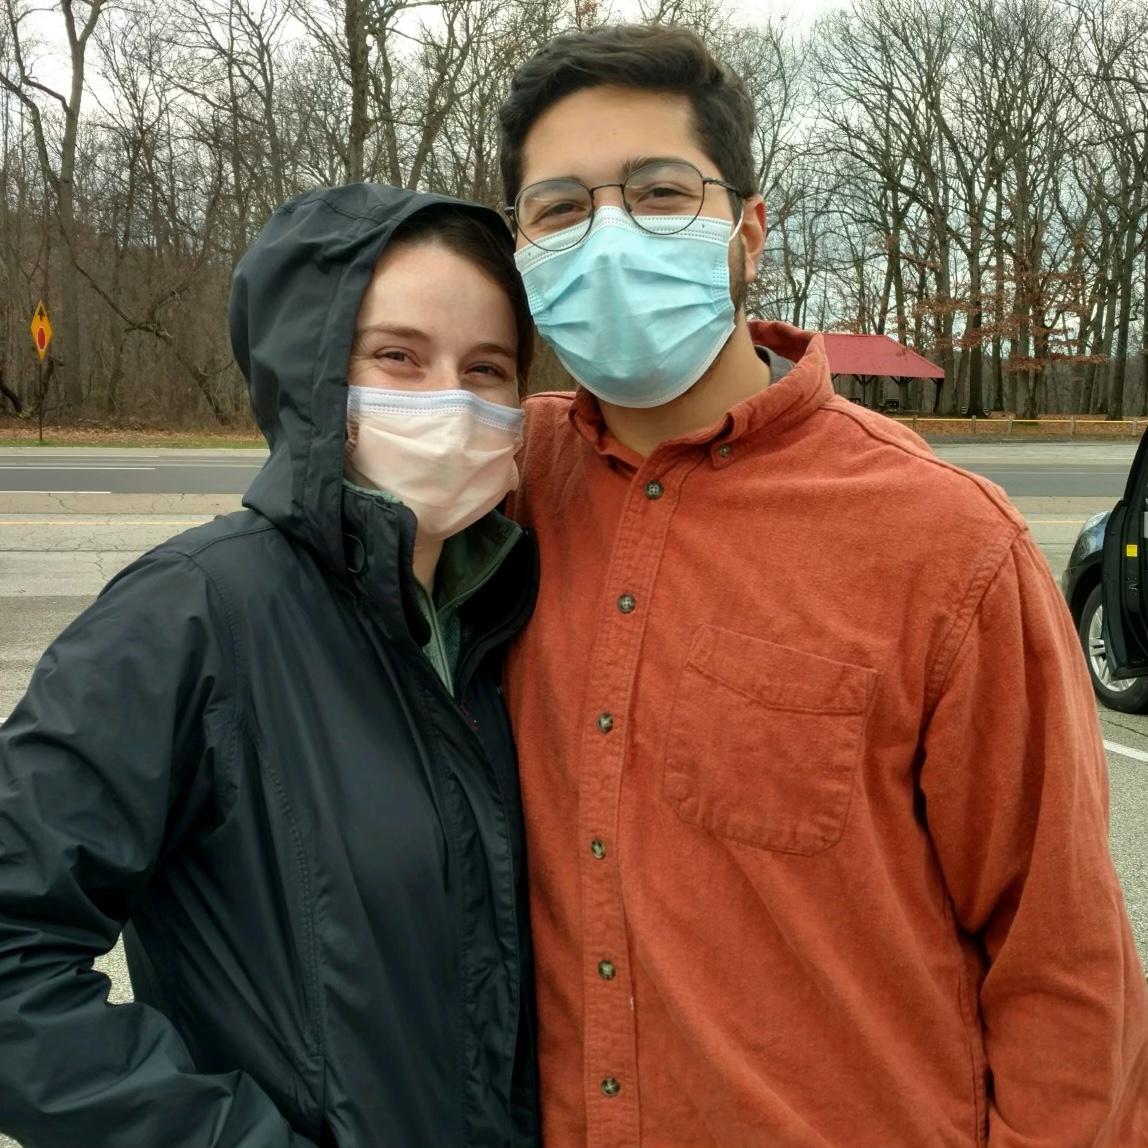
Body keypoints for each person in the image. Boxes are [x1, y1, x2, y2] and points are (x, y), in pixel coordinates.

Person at [497, 23, 1148, 1147]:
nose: (608, 237)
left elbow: (1063, 965)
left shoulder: (945, 543)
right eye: (559, 210)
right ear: (518, 250)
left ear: (747, 234)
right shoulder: (494, 488)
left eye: (659, 194)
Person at [0, 185, 541, 1147]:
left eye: (486, 368)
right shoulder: (190, 613)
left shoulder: (502, 619)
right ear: (312, 370)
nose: (450, 401)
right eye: (398, 356)